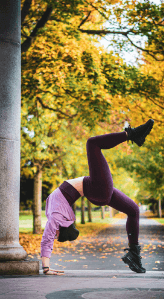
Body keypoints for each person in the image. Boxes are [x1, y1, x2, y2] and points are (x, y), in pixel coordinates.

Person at [40, 119, 154, 275]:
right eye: (57, 235)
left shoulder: (52, 214)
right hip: (95, 188)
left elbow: (49, 237)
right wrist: (46, 268)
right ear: (62, 227)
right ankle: (132, 134)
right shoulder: (55, 217)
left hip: (95, 190)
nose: (54, 235)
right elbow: (47, 239)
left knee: (133, 210)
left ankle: (134, 254)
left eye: (56, 235)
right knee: (92, 144)